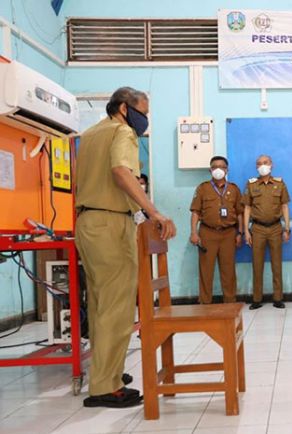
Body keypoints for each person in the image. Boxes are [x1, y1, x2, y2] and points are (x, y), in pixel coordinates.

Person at [75, 86, 176, 408]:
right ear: (122, 108)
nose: (144, 119)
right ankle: (106, 386)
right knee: (117, 306)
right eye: (141, 112)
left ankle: (109, 372)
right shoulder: (123, 132)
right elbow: (121, 171)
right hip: (110, 223)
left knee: (101, 303)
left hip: (89, 222)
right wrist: (153, 211)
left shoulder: (90, 134)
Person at [189, 156, 243, 304]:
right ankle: (205, 303)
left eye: (222, 166)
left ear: (227, 169)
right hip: (207, 233)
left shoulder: (234, 189)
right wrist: (194, 232)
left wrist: (240, 233)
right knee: (206, 271)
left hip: (229, 234)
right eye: (215, 167)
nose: (218, 169)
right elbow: (195, 212)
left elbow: (240, 213)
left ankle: (230, 302)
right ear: (210, 170)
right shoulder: (202, 188)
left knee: (228, 271)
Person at [242, 155, 291, 310]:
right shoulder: (251, 184)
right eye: (259, 164)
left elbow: (284, 206)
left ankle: (278, 298)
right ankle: (257, 299)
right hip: (257, 229)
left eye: (265, 163)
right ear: (256, 167)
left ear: (272, 165)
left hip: (276, 228)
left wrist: (287, 228)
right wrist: (246, 232)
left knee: (277, 264)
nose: (262, 166)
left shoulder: (279, 184)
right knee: (257, 265)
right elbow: (247, 208)